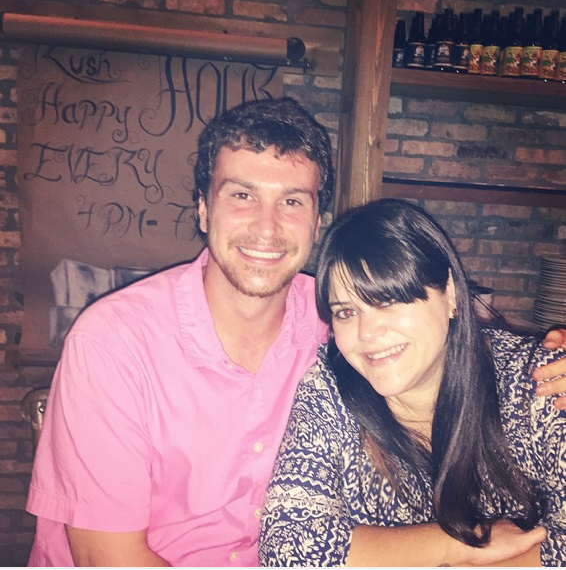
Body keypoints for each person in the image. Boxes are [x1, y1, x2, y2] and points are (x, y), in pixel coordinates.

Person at [25, 98, 566, 567]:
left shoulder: (338, 317)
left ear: (316, 222)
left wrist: (548, 357)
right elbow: (108, 560)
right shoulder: (114, 344)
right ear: (203, 210)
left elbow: (443, 330)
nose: (267, 226)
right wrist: (464, 545)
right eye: (242, 195)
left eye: (291, 201)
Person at [259, 198, 566, 567]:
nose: (367, 333)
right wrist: (463, 544)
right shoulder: (331, 387)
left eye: (388, 300)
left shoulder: (537, 381)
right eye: (346, 311)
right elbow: (286, 547)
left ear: (450, 293)